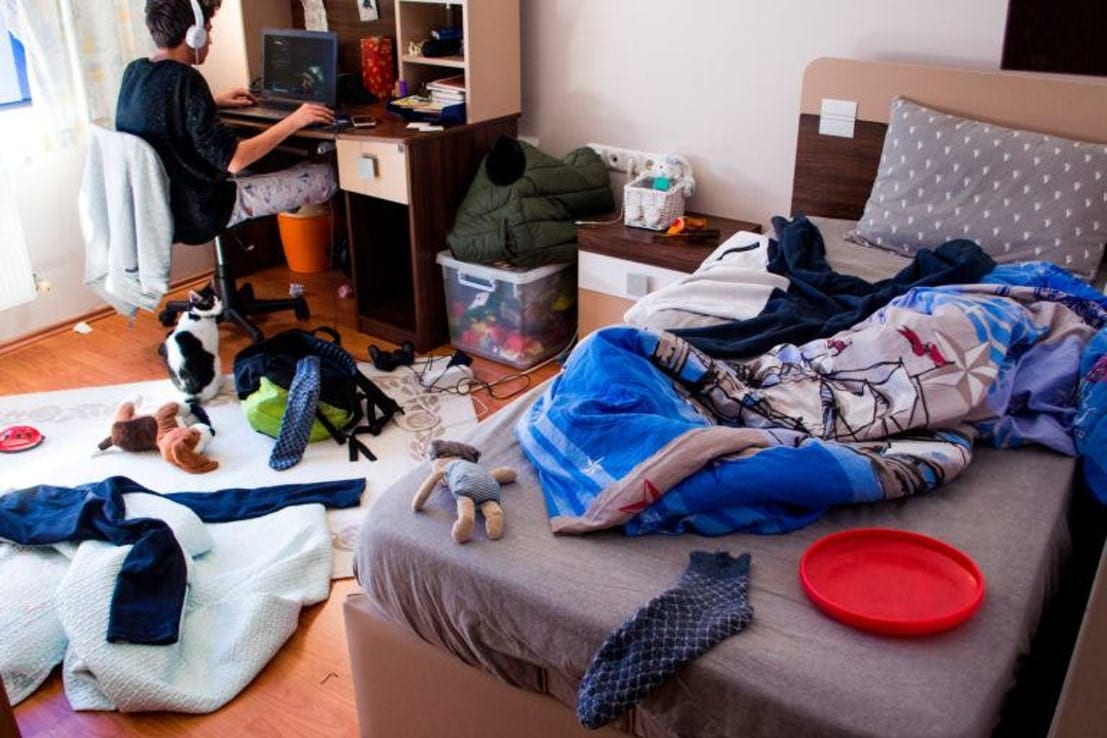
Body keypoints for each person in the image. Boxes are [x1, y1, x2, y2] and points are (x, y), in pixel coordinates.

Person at [115, 0, 338, 246]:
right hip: (202, 209)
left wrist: (213, 102)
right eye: (208, 30)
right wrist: (295, 120)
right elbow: (235, 161)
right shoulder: (186, 79)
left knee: (274, 162)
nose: (210, 40)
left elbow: (161, 116)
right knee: (325, 176)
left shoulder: (135, 71)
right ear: (194, 35)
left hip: (169, 205)